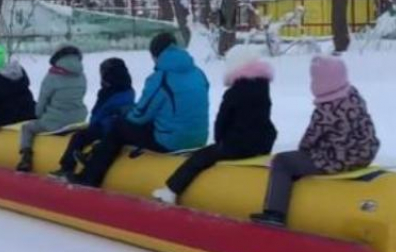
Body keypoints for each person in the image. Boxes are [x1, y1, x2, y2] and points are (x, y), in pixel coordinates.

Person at [251, 55, 379, 227]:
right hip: (363, 154)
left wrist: (299, 158)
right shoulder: (353, 94)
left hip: (338, 159)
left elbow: (309, 141)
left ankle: (275, 212)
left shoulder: (327, 108)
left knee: (282, 161)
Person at [70, 32, 209, 187]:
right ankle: (95, 155)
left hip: (171, 141)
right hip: (199, 138)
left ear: (156, 54)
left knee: (118, 127)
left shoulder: (161, 77)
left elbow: (139, 115)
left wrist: (124, 116)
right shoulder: (198, 73)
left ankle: (89, 177)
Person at [152, 44, 277, 204]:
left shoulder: (234, 92)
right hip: (262, 143)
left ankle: (171, 190)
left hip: (239, 145)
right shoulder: (262, 89)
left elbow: (222, 121)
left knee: (199, 158)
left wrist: (220, 143)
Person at [50, 57, 135, 179]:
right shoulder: (127, 90)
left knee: (78, 136)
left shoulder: (110, 93)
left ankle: (66, 167)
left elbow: (99, 114)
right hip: (114, 126)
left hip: (106, 127)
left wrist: (96, 124)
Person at [16, 45, 88, 172]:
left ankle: (26, 158)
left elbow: (42, 101)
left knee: (27, 128)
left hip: (56, 121)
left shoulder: (53, 76)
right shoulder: (81, 75)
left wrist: (38, 115)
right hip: (78, 119)